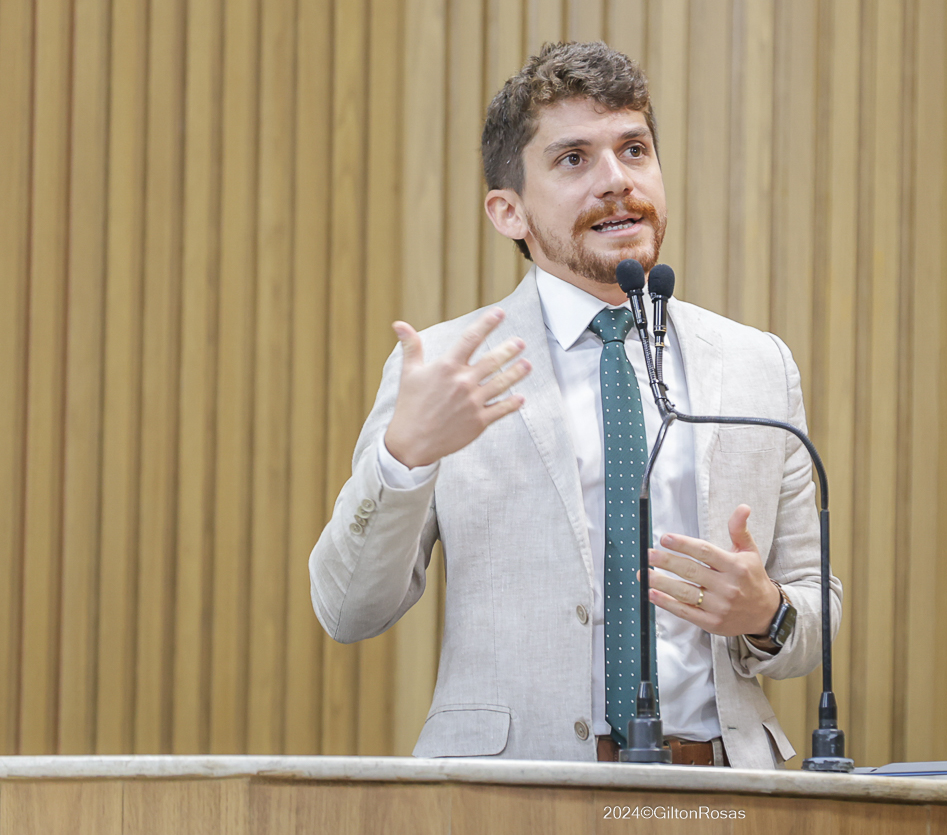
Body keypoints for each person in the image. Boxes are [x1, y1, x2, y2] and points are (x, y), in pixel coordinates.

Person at [309, 41, 841, 769]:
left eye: (634, 150)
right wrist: (403, 458)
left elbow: (814, 611)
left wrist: (767, 614)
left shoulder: (757, 366)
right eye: (573, 159)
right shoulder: (442, 369)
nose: (616, 180)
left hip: (719, 785)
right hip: (511, 792)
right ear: (509, 211)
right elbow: (347, 611)